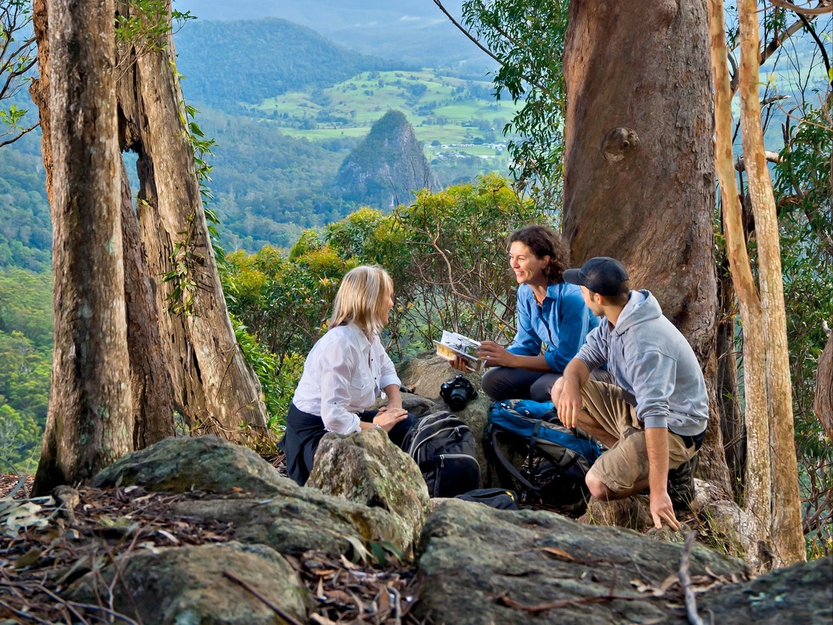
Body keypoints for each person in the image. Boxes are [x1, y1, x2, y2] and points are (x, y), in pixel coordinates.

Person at [551, 256, 708, 530]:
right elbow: (583, 360)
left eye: (582, 289)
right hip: (636, 411)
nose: (579, 292)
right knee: (561, 389)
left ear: (597, 298)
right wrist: (573, 386)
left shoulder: (643, 344)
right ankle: (635, 459)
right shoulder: (616, 318)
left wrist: (659, 493)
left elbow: (657, 417)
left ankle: (666, 477)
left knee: (597, 484)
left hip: (675, 429)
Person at [279, 265, 412, 486]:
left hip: (350, 421)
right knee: (366, 466)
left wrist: (394, 406)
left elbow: (387, 368)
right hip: (317, 436)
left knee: (407, 425)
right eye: (388, 296)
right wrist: (378, 429)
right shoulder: (340, 344)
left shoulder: (368, 336)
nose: (391, 303)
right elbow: (332, 417)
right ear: (370, 300)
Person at [454, 224, 601, 402]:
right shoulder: (525, 292)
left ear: (545, 261)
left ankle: (551, 411)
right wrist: (482, 359)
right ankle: (535, 407)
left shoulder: (572, 297)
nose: (514, 264)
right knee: (492, 381)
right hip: (560, 366)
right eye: (511, 257)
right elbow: (527, 345)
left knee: (541, 388)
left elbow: (567, 359)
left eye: (521, 258)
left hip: (589, 368)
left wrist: (512, 360)